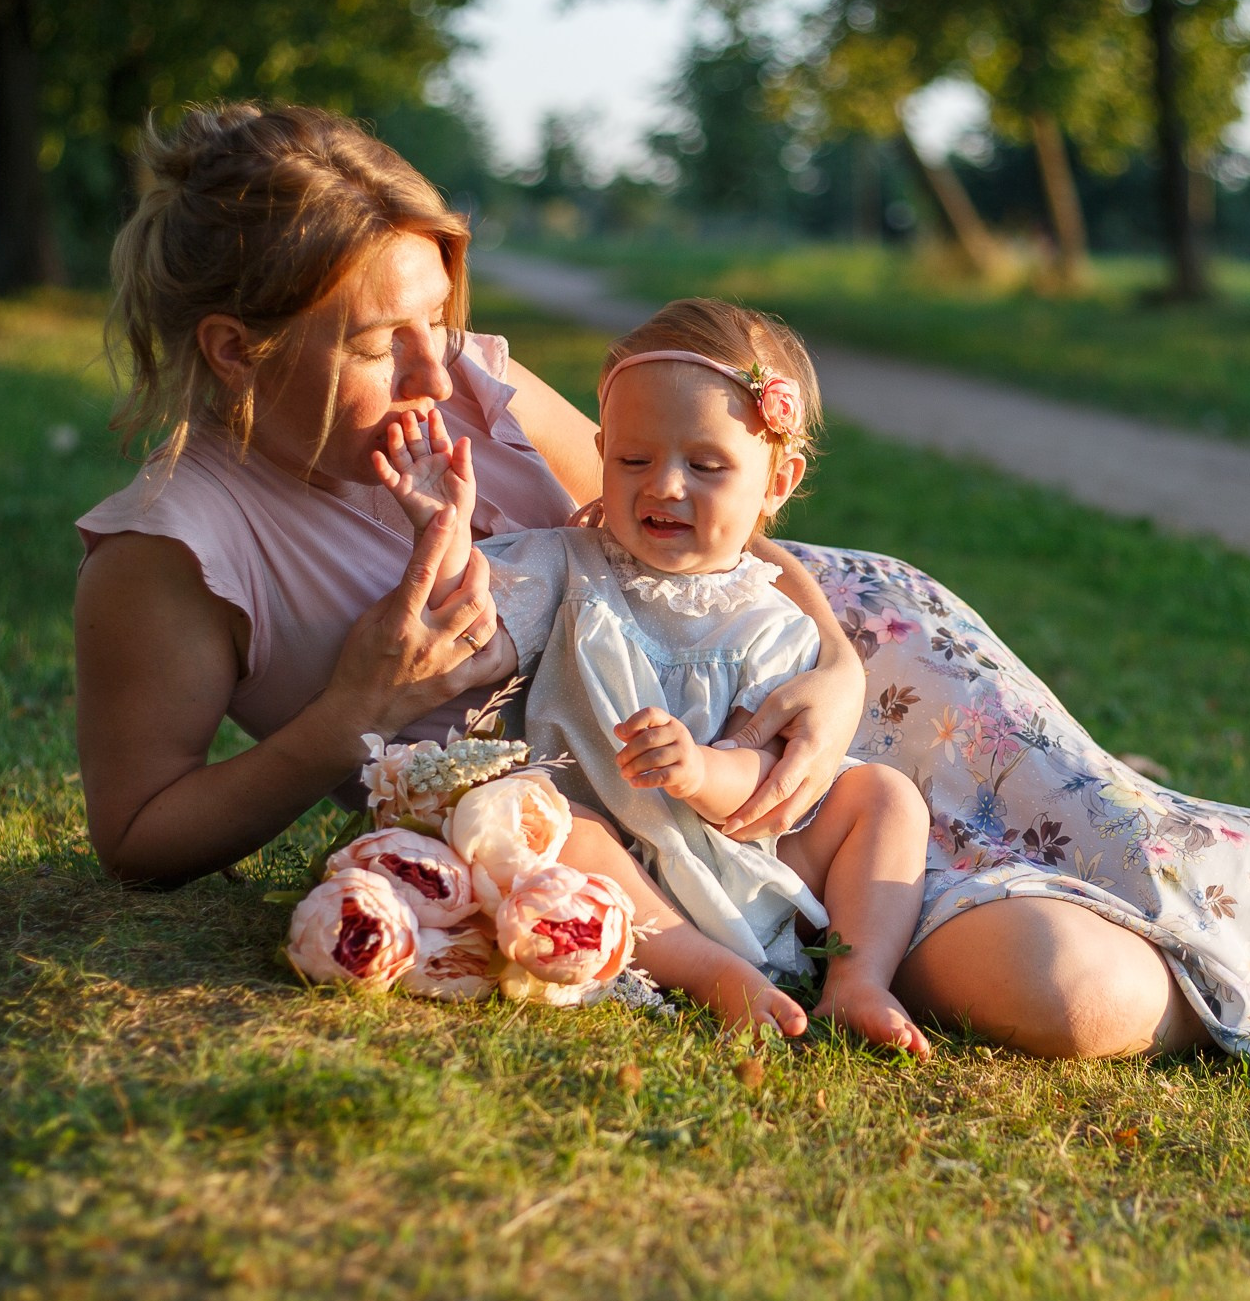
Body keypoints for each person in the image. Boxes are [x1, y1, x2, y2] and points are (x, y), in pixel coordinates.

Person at [75, 101, 1250, 1094]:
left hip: (824, 668)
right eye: (386, 337)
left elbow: (692, 534)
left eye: (447, 314)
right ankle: (1206, 986)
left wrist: (818, 694)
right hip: (661, 827)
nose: (442, 362)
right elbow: (140, 834)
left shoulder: (487, 390)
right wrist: (344, 718)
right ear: (240, 347)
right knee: (1074, 992)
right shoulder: (176, 544)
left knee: (1133, 833)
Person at [368, 300, 934, 1055]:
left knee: (885, 798)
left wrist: (701, 769)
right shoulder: (565, 565)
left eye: (705, 466)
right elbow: (464, 627)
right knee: (543, 818)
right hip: (622, 864)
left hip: (755, 858)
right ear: (602, 454)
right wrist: (441, 529)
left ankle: (858, 980)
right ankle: (709, 972)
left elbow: (774, 783)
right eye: (634, 460)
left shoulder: (771, 619)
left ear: (777, 482)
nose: (665, 485)